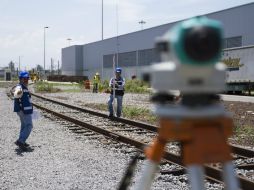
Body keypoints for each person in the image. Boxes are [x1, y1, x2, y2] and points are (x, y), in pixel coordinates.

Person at [13, 71, 33, 151]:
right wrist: (17, 92)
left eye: (27, 78)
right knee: (29, 126)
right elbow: (16, 95)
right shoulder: (19, 87)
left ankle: (22, 140)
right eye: (25, 78)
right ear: (20, 79)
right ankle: (20, 141)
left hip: (25, 110)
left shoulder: (23, 86)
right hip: (23, 110)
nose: (26, 80)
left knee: (24, 126)